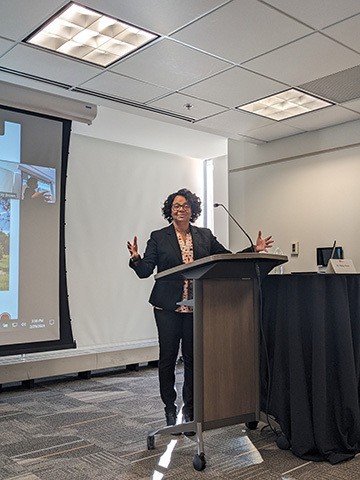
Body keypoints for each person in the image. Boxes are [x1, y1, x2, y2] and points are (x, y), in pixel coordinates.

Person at [127, 188, 273, 434]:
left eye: (184, 206)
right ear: (169, 210)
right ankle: (170, 408)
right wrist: (136, 259)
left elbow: (225, 258)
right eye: (175, 206)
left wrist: (253, 250)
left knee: (193, 361)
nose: (179, 209)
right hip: (168, 307)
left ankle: (191, 411)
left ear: (192, 210)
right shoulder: (159, 237)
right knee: (168, 358)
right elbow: (145, 271)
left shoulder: (204, 236)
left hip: (197, 306)